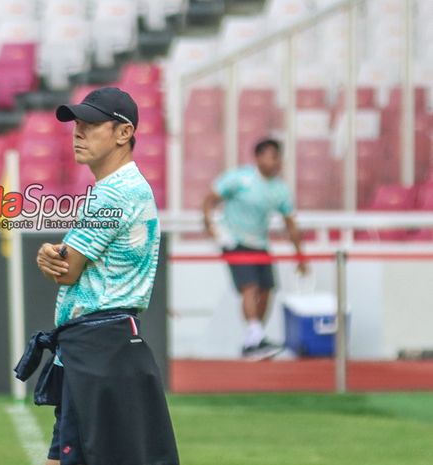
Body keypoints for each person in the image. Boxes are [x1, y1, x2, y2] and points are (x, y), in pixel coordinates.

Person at [34, 87, 179, 465]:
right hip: (105, 348)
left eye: (91, 124)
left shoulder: (113, 193)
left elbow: (67, 271)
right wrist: (54, 256)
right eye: (76, 125)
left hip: (99, 352)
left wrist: (49, 256)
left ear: (123, 133)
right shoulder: (124, 188)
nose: (78, 133)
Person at [202, 138, 308, 360]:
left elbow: (290, 223)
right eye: (271, 156)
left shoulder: (280, 190)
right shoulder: (240, 178)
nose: (276, 161)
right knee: (250, 288)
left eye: (278, 156)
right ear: (258, 157)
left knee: (267, 289)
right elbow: (210, 199)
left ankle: (253, 339)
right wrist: (212, 227)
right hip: (235, 241)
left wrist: (300, 255)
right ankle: (256, 336)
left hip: (260, 244)